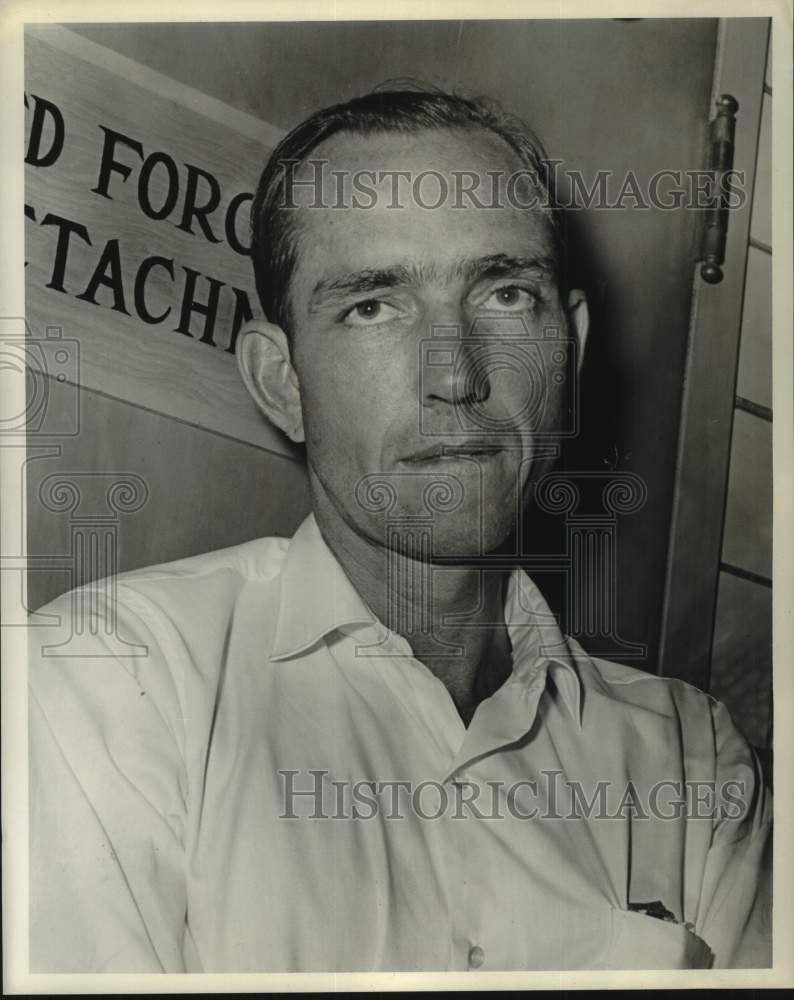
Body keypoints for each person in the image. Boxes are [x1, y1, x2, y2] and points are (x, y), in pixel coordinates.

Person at [28, 88, 771, 973]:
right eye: (373, 307)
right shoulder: (107, 687)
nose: (455, 376)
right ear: (283, 382)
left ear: (567, 348)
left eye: (504, 293)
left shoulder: (694, 764)